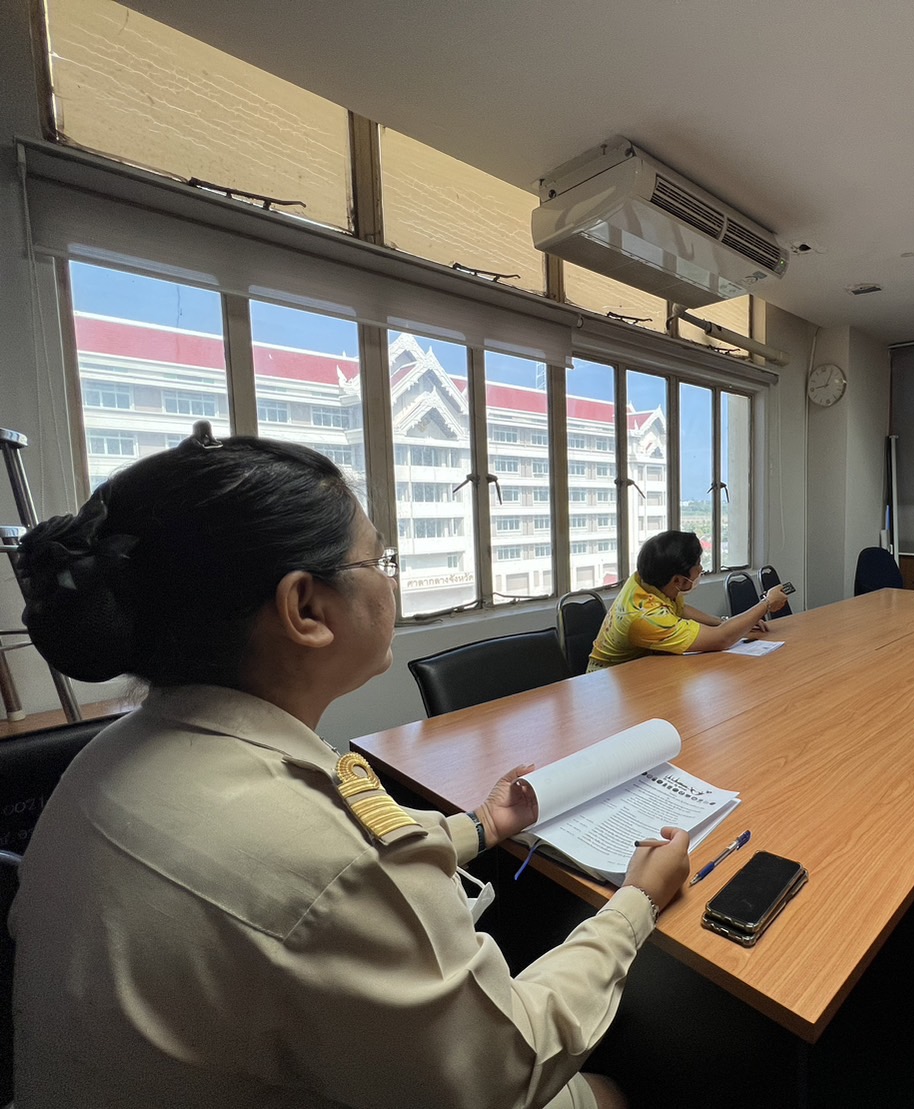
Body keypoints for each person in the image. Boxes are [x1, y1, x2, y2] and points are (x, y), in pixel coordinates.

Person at [9, 428, 690, 1109]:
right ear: (305, 607)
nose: (390, 580)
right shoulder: (333, 864)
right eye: (378, 560)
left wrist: (480, 824)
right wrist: (636, 902)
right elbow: (504, 1072)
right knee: (609, 1091)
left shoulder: (100, 759)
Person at [586, 529, 788, 672]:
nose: (701, 570)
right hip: (610, 683)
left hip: (641, 670)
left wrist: (726, 622)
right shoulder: (645, 617)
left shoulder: (644, 579)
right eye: (697, 565)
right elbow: (722, 639)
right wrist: (767, 604)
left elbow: (680, 610)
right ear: (677, 580)